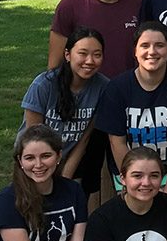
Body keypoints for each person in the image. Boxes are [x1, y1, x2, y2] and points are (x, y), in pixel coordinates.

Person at [96, 22, 167, 201]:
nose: (152, 51)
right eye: (145, 45)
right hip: (130, 171)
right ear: (135, 51)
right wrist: (131, 182)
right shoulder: (117, 88)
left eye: (159, 45)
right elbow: (116, 141)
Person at [21, 28, 109, 197]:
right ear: (68, 55)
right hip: (34, 160)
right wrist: (46, 176)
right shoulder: (43, 85)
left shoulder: (103, 87)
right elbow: (31, 138)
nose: (89, 61)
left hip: (70, 159)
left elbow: (84, 140)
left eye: (97, 55)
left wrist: (64, 179)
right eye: (82, 53)